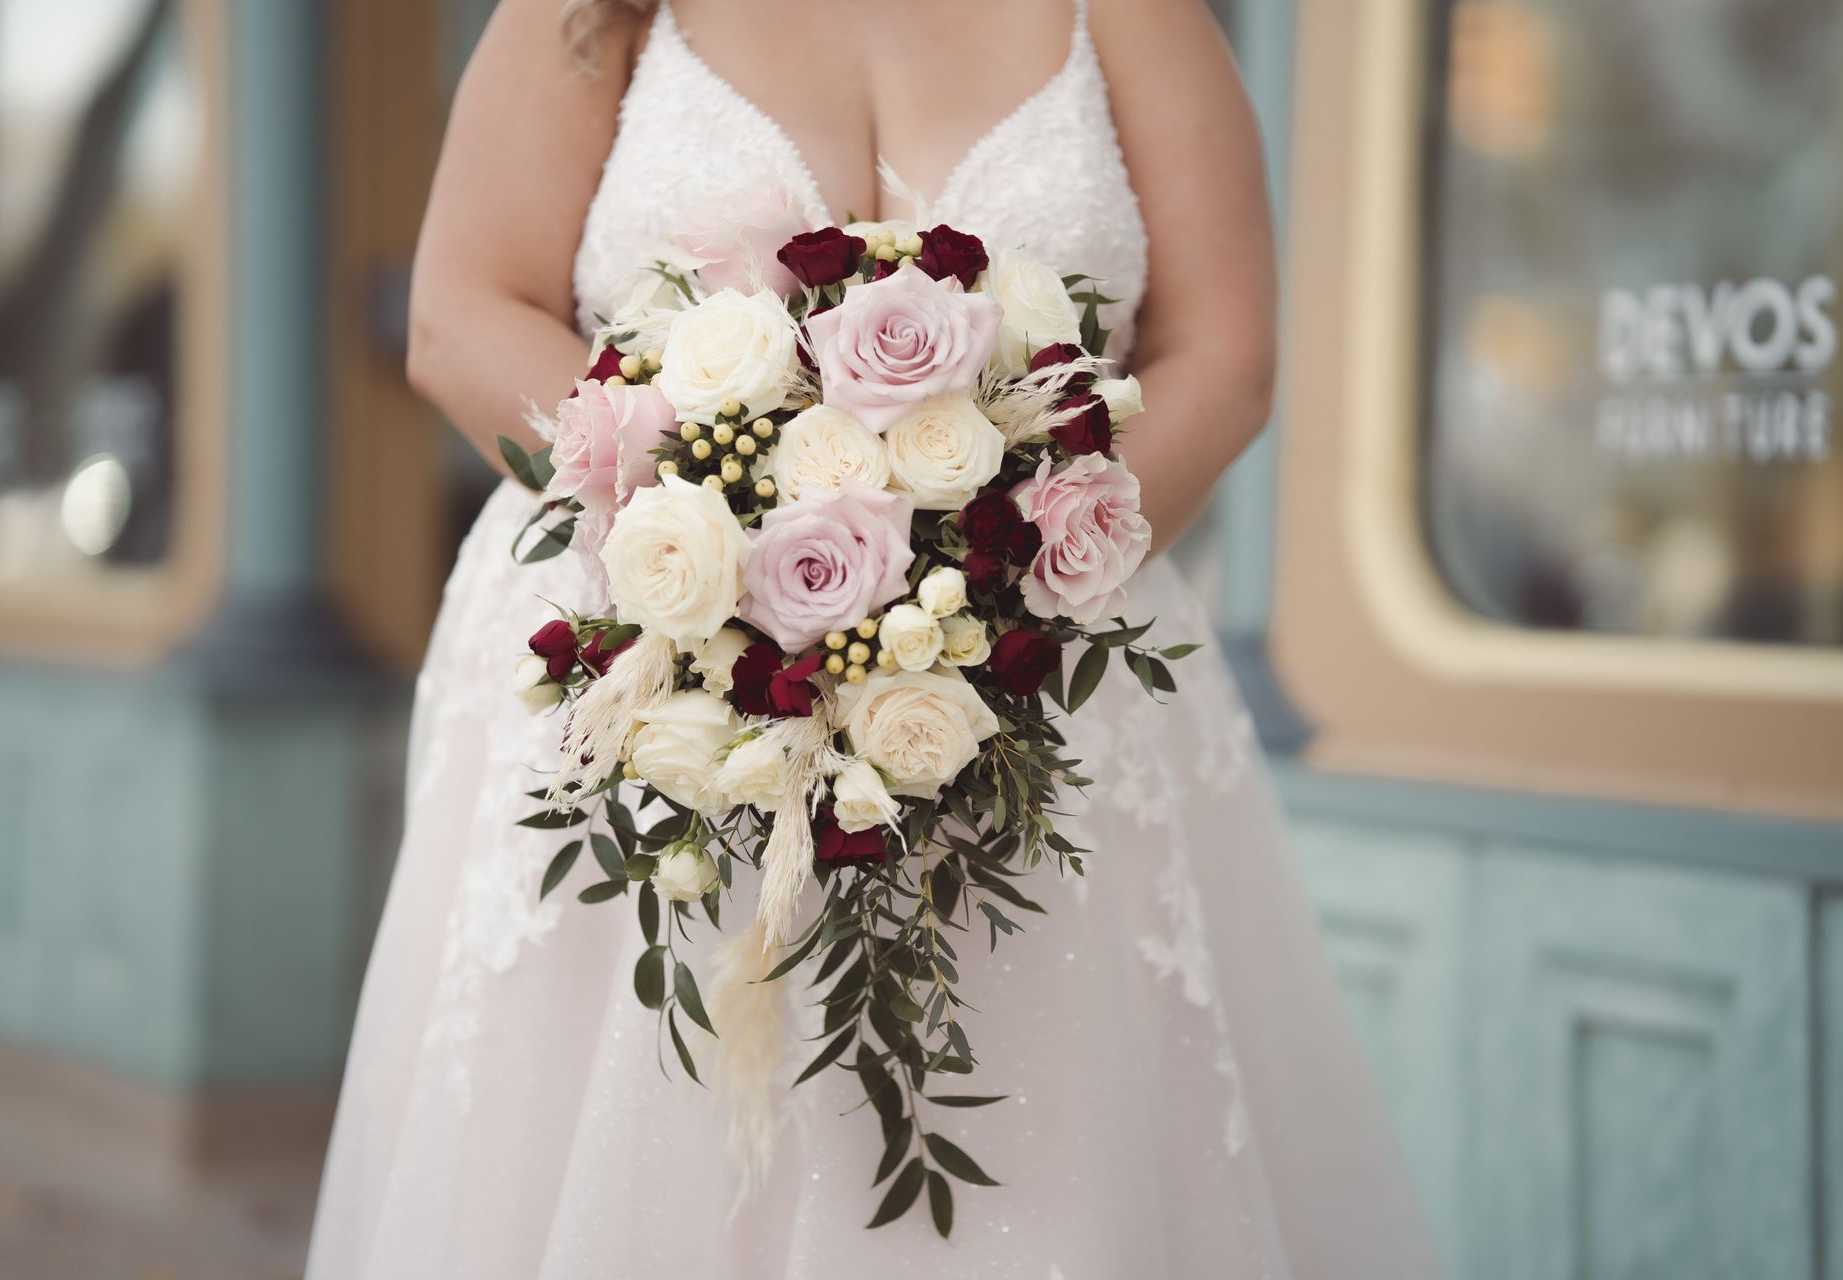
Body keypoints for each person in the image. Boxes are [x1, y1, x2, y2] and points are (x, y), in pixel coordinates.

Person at [306, 1, 1442, 1274]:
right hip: (641, 662)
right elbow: (461, 314)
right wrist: (724, 538)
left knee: (1027, 1145)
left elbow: (1221, 355)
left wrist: (1007, 582)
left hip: (1037, 684)